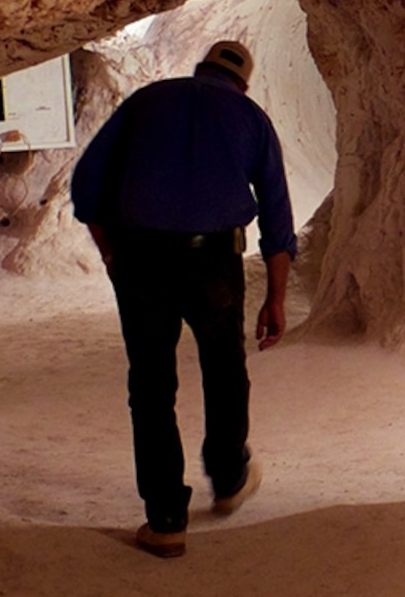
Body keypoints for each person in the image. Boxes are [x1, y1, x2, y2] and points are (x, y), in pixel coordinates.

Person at [69, 39, 295, 556]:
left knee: (150, 386)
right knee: (224, 368)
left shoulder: (146, 101)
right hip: (213, 260)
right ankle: (229, 475)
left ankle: (166, 518)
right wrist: (276, 298)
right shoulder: (250, 117)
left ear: (200, 68)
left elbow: (87, 187)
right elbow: (278, 222)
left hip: (141, 256)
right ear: (244, 82)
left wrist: (112, 254)